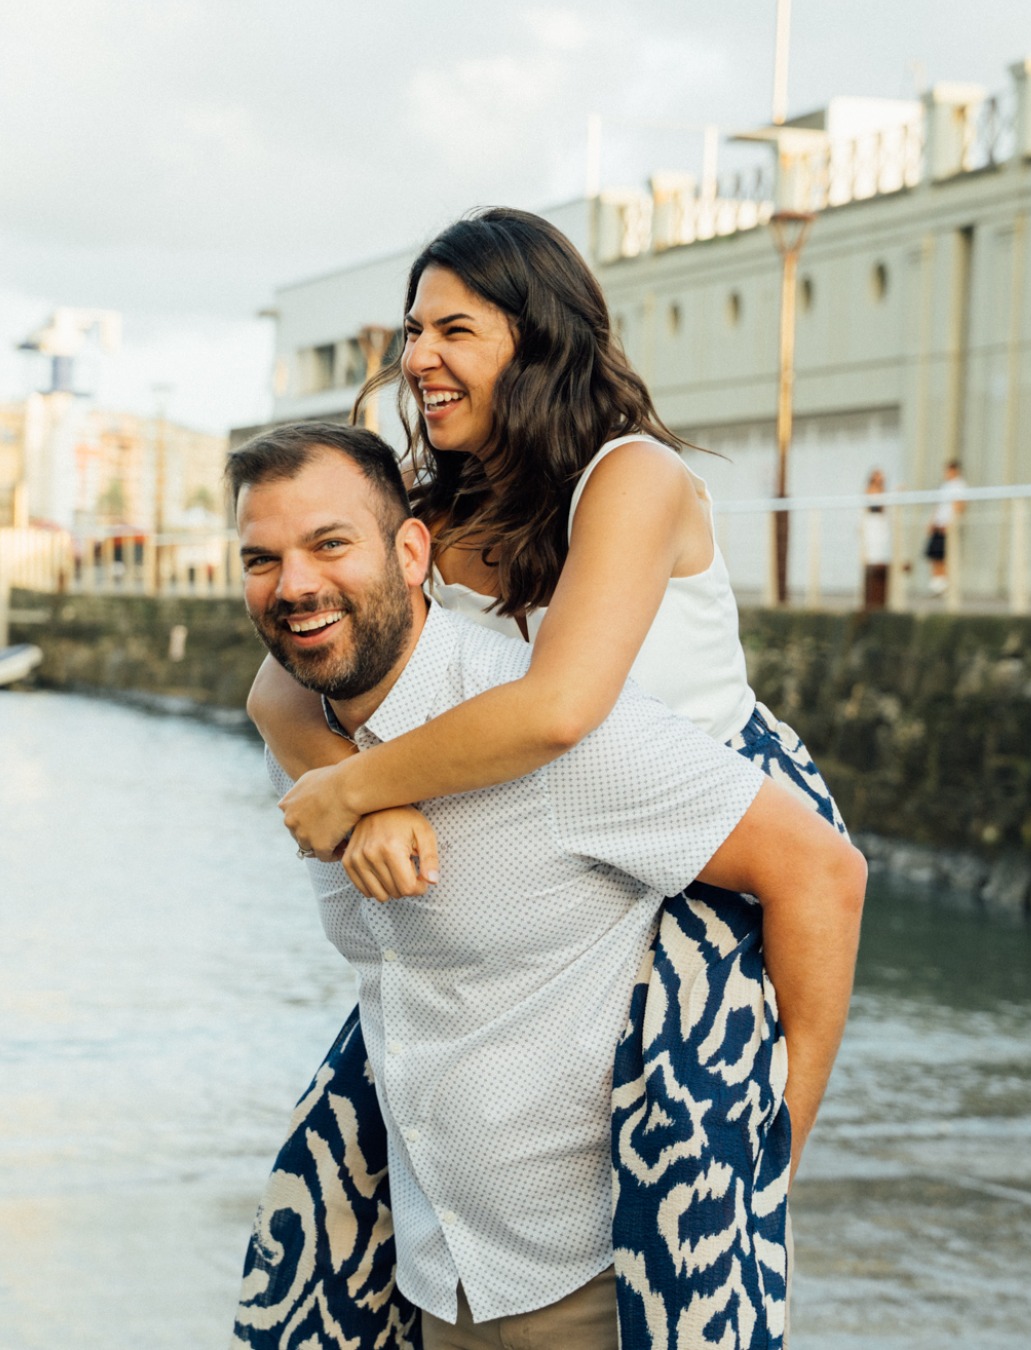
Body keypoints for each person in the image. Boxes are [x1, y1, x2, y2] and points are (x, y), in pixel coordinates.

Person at [237, 209, 852, 1347]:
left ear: (540, 336)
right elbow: (278, 692)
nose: (419, 355)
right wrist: (369, 798)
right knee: (361, 1144)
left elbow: (558, 709)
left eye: (455, 328)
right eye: (414, 329)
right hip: (556, 860)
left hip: (709, 851)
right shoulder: (441, 509)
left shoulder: (633, 477)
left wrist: (357, 792)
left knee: (696, 1209)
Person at [925, 459, 967, 596]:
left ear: (955, 470)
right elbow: (939, 506)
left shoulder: (960, 485)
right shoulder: (944, 485)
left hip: (947, 525)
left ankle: (946, 587)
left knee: (945, 556)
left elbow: (960, 506)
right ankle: (937, 586)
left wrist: (951, 523)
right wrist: (932, 521)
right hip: (938, 523)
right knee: (935, 555)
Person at [861, 467, 891, 610]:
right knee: (873, 552)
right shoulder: (870, 490)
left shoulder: (883, 491)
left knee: (881, 551)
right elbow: (872, 508)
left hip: (881, 524)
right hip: (873, 524)